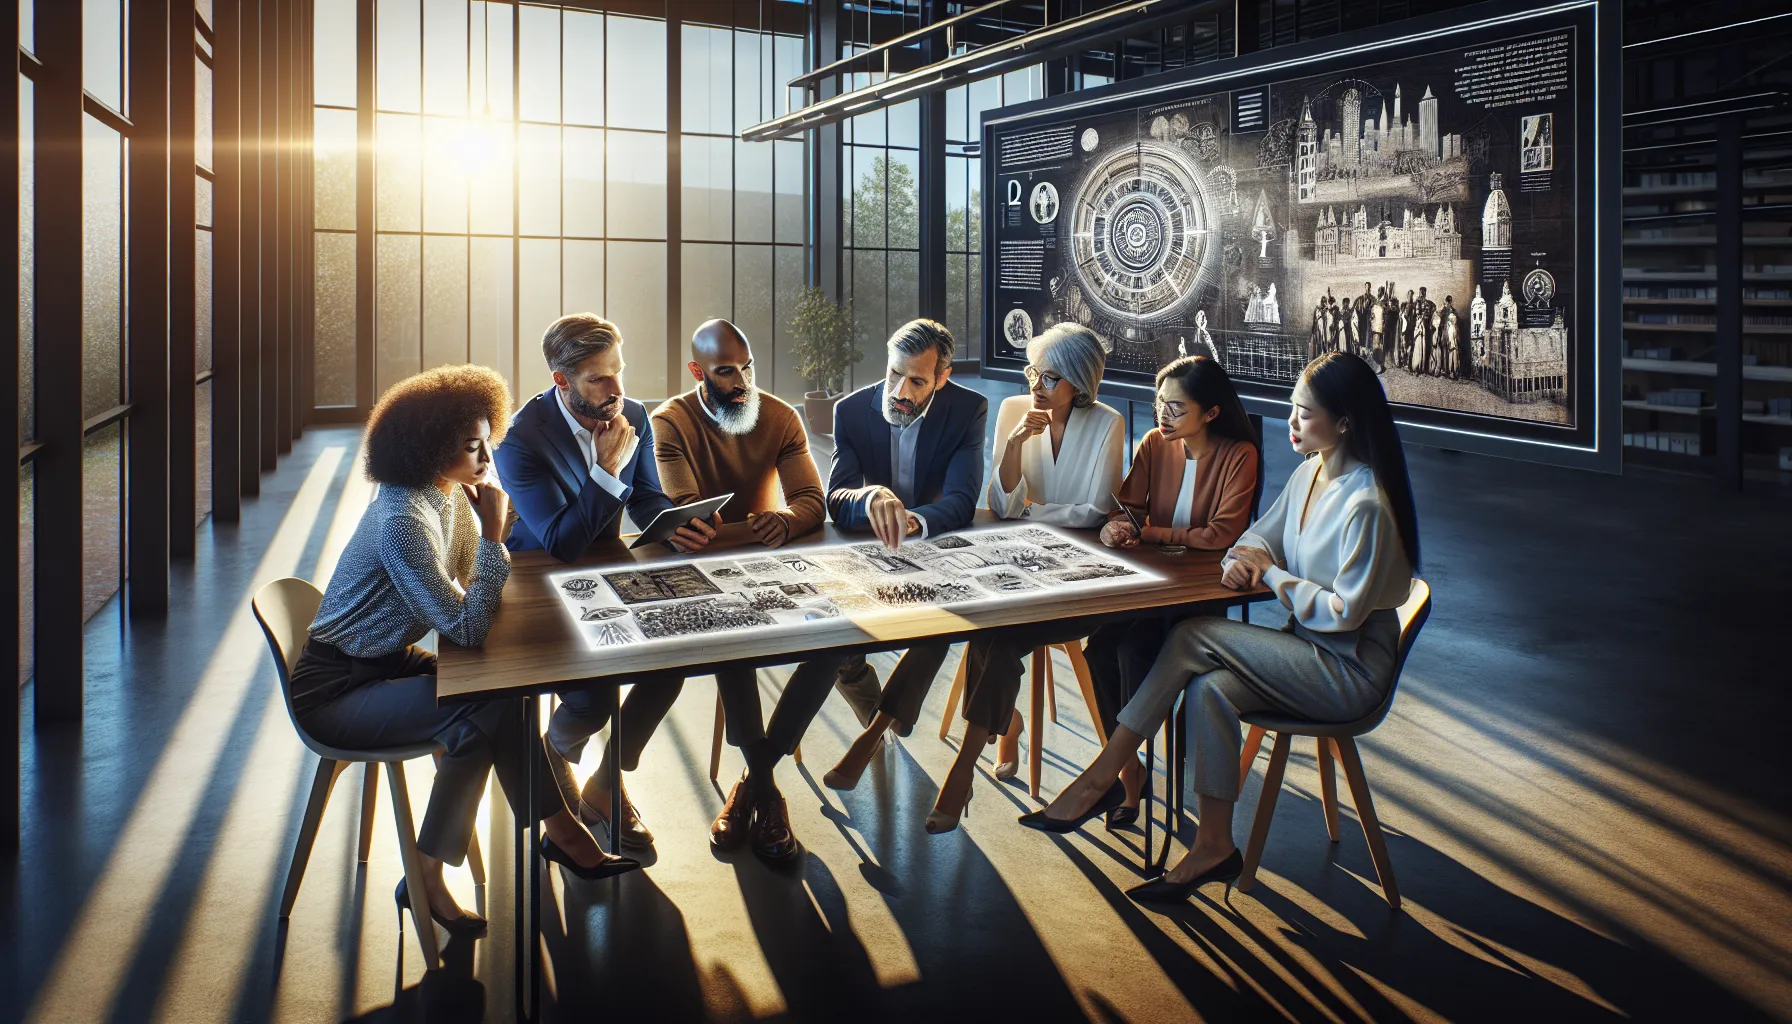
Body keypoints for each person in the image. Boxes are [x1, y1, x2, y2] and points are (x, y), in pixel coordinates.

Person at [1021, 352, 1419, 907]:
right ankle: (1212, 845)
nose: (1291, 425)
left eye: (1305, 415)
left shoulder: (1368, 503)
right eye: (1291, 410)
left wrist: (1271, 574)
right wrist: (1248, 557)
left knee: (1193, 635)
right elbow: (1258, 535)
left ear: (1345, 422)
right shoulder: (1311, 473)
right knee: (1208, 689)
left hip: (1347, 669)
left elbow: (1342, 614)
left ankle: (1102, 776)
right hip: (1304, 651)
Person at [294, 366, 635, 937]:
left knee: (499, 699)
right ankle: (453, 869)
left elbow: (467, 587)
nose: (485, 456)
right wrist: (497, 538)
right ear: (428, 450)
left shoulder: (445, 494)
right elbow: (466, 625)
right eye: (470, 446)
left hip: (386, 663)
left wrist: (490, 545)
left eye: (486, 441)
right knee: (484, 710)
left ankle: (546, 841)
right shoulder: (404, 517)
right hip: (336, 690)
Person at [493, 313, 718, 852]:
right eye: (599, 377)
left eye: (618, 370)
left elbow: (643, 497)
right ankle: (554, 754)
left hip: (605, 574)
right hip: (536, 587)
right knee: (593, 700)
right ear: (562, 381)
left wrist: (674, 521)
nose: (616, 388)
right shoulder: (518, 440)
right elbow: (561, 543)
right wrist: (606, 469)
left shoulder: (631, 412)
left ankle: (603, 781)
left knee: (675, 661)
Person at [913, 324, 1125, 833]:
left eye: (1051, 377)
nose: (1036, 384)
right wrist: (1011, 446)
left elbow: (1095, 511)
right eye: (1033, 371)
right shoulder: (1012, 412)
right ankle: (1001, 726)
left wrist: (1030, 513)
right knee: (992, 626)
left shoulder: (1107, 423)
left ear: (1079, 382)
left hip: (1079, 581)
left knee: (998, 632)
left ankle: (966, 765)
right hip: (1017, 566)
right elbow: (1003, 505)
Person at [651, 319, 845, 864]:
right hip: (709, 575)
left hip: (776, 566)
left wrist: (787, 518)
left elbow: (812, 497)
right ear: (697, 372)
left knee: (833, 646)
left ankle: (750, 782)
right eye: (725, 372)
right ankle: (767, 792)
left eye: (747, 367)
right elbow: (688, 512)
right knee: (731, 643)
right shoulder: (669, 422)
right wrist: (703, 529)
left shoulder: (780, 416)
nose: (741, 382)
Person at [1082, 355, 1260, 826]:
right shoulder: (1154, 444)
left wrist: (1153, 534)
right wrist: (1116, 528)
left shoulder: (1240, 455)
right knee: (1098, 649)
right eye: (1160, 403)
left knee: (1131, 652)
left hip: (1203, 592)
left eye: (1177, 408)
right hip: (1152, 584)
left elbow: (1220, 536)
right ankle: (1128, 770)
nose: (1164, 415)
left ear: (1211, 413)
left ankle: (1136, 773)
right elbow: (1129, 508)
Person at [822, 319, 989, 782]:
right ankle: (883, 714)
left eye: (916, 380)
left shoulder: (967, 409)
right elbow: (836, 499)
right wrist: (871, 496)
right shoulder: (851, 411)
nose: (899, 389)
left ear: (943, 377)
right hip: (865, 554)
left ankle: (877, 729)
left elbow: (961, 499)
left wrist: (915, 519)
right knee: (831, 634)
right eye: (895, 373)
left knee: (940, 622)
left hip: (931, 550)